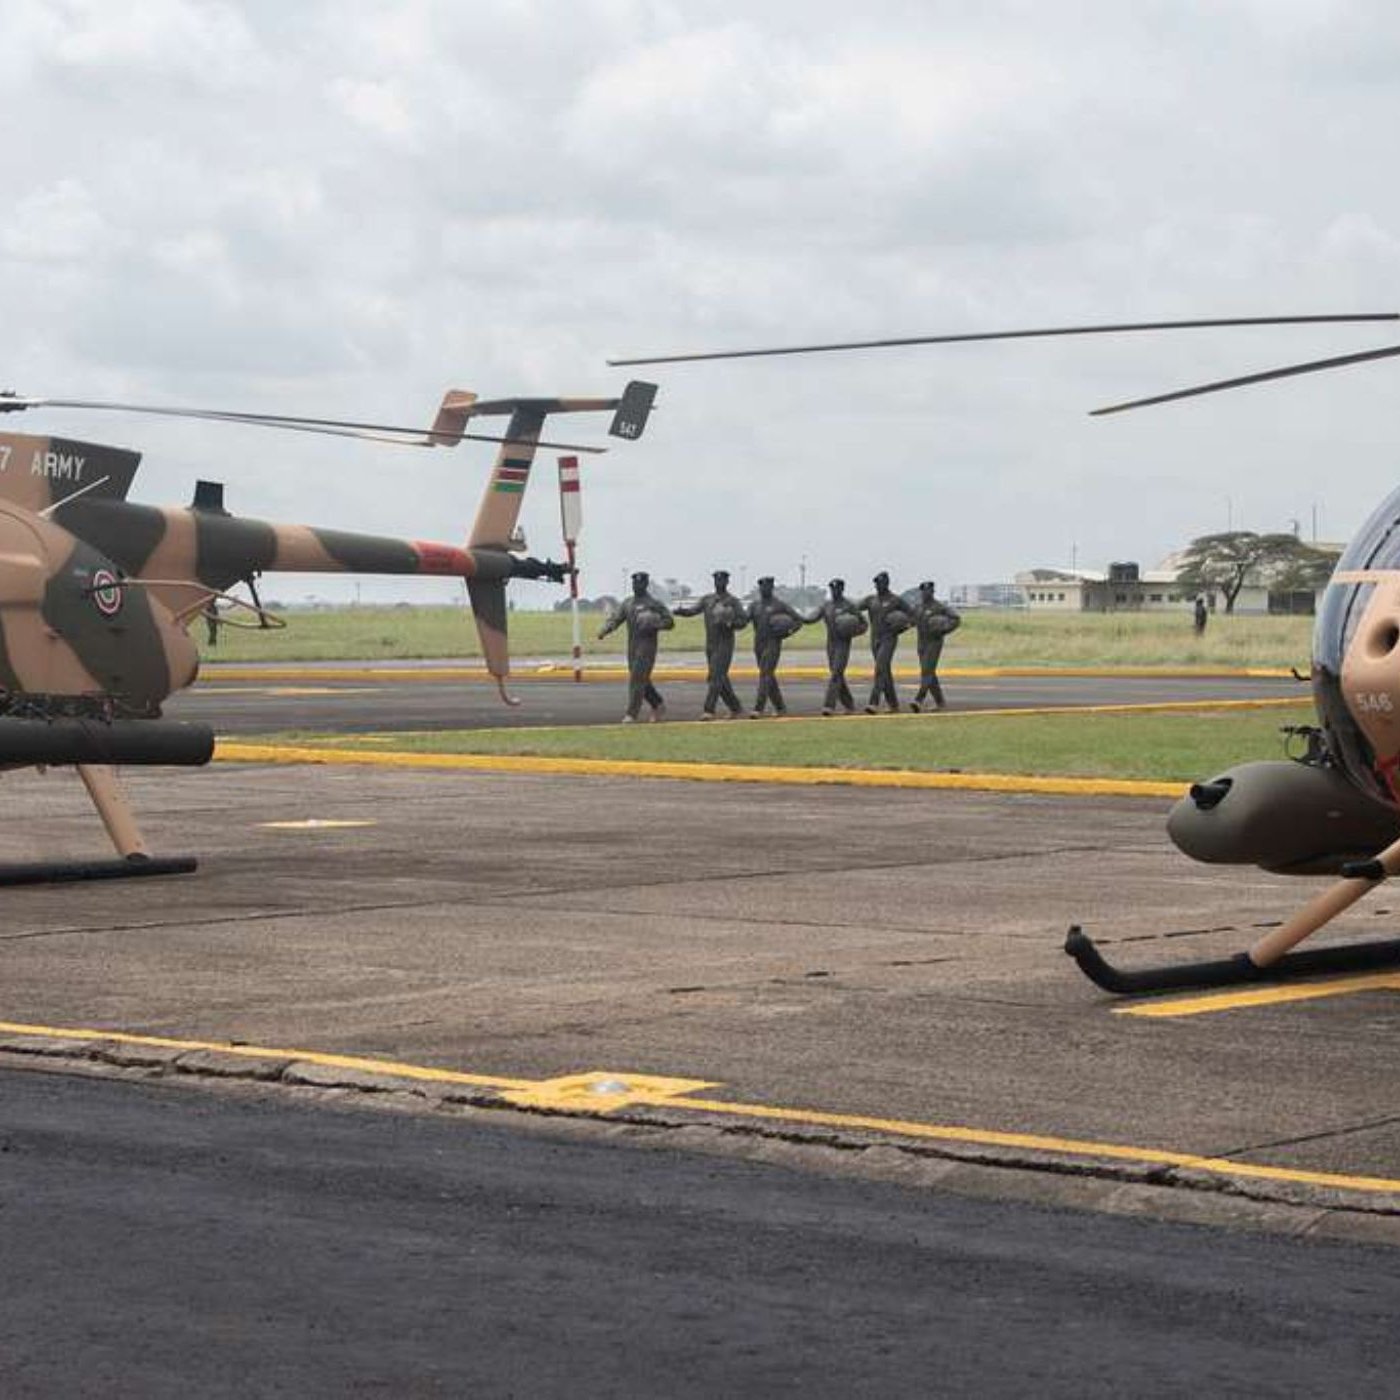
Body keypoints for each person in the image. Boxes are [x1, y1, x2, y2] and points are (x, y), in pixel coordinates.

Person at [598, 570, 674, 722]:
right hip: (632, 646)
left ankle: (631, 714)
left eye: (639, 582)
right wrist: (605, 630)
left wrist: (655, 623)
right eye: (634, 582)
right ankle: (658, 704)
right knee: (641, 679)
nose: (636, 585)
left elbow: (670, 622)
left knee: (637, 679)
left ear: (645, 584)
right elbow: (616, 618)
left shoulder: (654, 604)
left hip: (647, 646)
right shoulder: (628, 603)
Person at [673, 570, 748, 718]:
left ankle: (709, 710)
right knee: (719, 678)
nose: (719, 583)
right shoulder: (707, 600)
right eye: (716, 580)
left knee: (715, 677)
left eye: (722, 580)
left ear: (727, 582)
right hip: (711, 645)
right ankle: (736, 707)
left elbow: (743, 621)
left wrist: (729, 623)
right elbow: (694, 610)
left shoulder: (733, 601)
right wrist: (681, 612)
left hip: (725, 644)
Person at [802, 578, 866, 714]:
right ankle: (849, 705)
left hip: (843, 643)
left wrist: (852, 631)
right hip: (831, 644)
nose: (834, 591)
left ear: (842, 589)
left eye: (836, 589)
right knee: (837, 675)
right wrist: (796, 617)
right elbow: (811, 619)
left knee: (836, 673)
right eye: (832, 589)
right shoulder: (826, 606)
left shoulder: (849, 606)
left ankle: (828, 706)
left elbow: (864, 625)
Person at [747, 576, 803, 717]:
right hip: (758, 644)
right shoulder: (754, 605)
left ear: (772, 588)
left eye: (767, 586)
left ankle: (758, 709)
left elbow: (798, 621)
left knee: (765, 674)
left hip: (773, 643)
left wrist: (787, 632)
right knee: (768, 676)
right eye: (762, 587)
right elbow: (743, 620)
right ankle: (780, 708)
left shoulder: (779, 605)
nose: (764, 589)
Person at [860, 571, 911, 713]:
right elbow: (855, 609)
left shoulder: (896, 600)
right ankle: (893, 705)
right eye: (875, 583)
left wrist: (903, 627)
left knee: (880, 669)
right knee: (885, 672)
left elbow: (913, 615)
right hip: (874, 639)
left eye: (880, 583)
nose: (877, 585)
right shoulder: (871, 600)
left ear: (886, 583)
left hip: (889, 639)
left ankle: (873, 703)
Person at [910, 580, 961, 712]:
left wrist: (944, 628)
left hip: (934, 642)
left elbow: (956, 619)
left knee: (926, 671)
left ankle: (919, 699)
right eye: (923, 591)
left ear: (932, 592)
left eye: (928, 591)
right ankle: (940, 702)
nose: (925, 593)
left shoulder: (939, 607)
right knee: (929, 673)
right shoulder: (918, 607)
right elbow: (911, 621)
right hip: (921, 643)